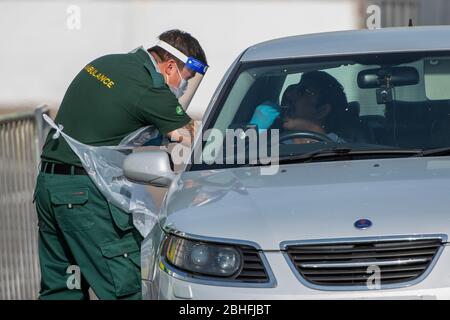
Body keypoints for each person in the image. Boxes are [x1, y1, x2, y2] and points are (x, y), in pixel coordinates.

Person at [33, 29, 207, 300]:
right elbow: (191, 138)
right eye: (186, 79)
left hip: (48, 187)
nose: (184, 88)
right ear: (170, 65)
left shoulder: (108, 63)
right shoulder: (150, 87)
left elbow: (118, 121)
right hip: (84, 199)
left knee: (63, 287)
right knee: (125, 286)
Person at [281, 70, 348, 144]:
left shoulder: (343, 151)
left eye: (301, 92)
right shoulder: (273, 145)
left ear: (322, 111)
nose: (288, 95)